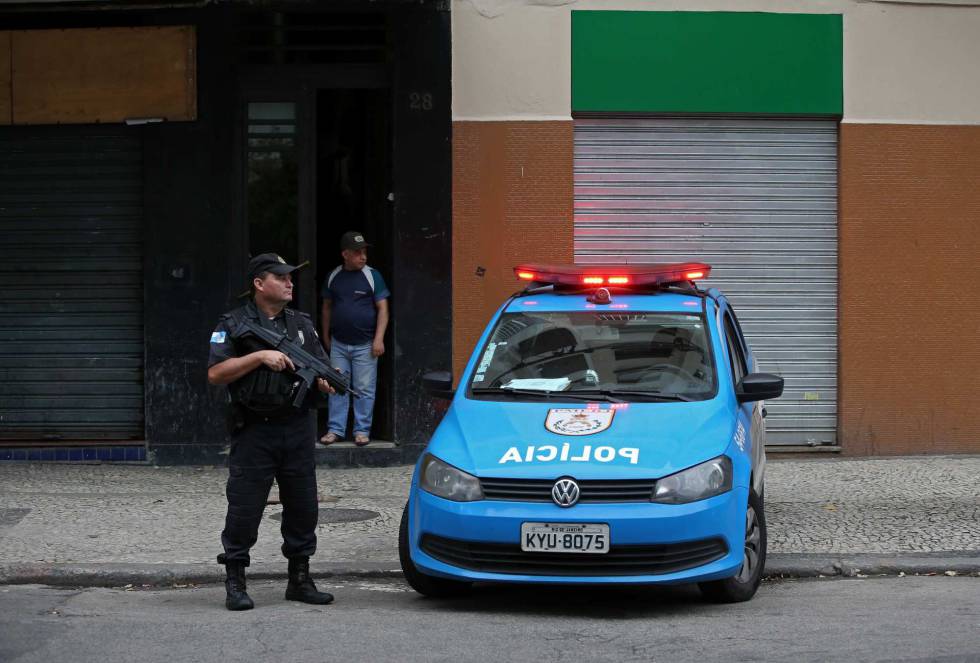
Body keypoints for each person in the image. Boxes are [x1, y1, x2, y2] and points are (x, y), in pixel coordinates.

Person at [207, 253, 336, 611]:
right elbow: (215, 374)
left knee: (303, 507)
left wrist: (326, 381)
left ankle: (300, 580)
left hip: (297, 428)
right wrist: (259, 357)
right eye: (281, 277)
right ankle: (235, 582)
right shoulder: (233, 323)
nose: (289, 282)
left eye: (290, 277)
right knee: (245, 508)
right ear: (259, 284)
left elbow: (322, 365)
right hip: (254, 430)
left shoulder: (301, 324)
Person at [319, 231, 390, 447]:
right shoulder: (334, 276)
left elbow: (383, 309)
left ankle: (361, 430)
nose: (363, 256)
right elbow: (326, 307)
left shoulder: (373, 276)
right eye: (358, 252)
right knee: (336, 386)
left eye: (364, 252)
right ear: (345, 254)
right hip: (339, 343)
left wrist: (379, 339)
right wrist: (325, 336)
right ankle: (335, 430)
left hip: (366, 344)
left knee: (364, 389)